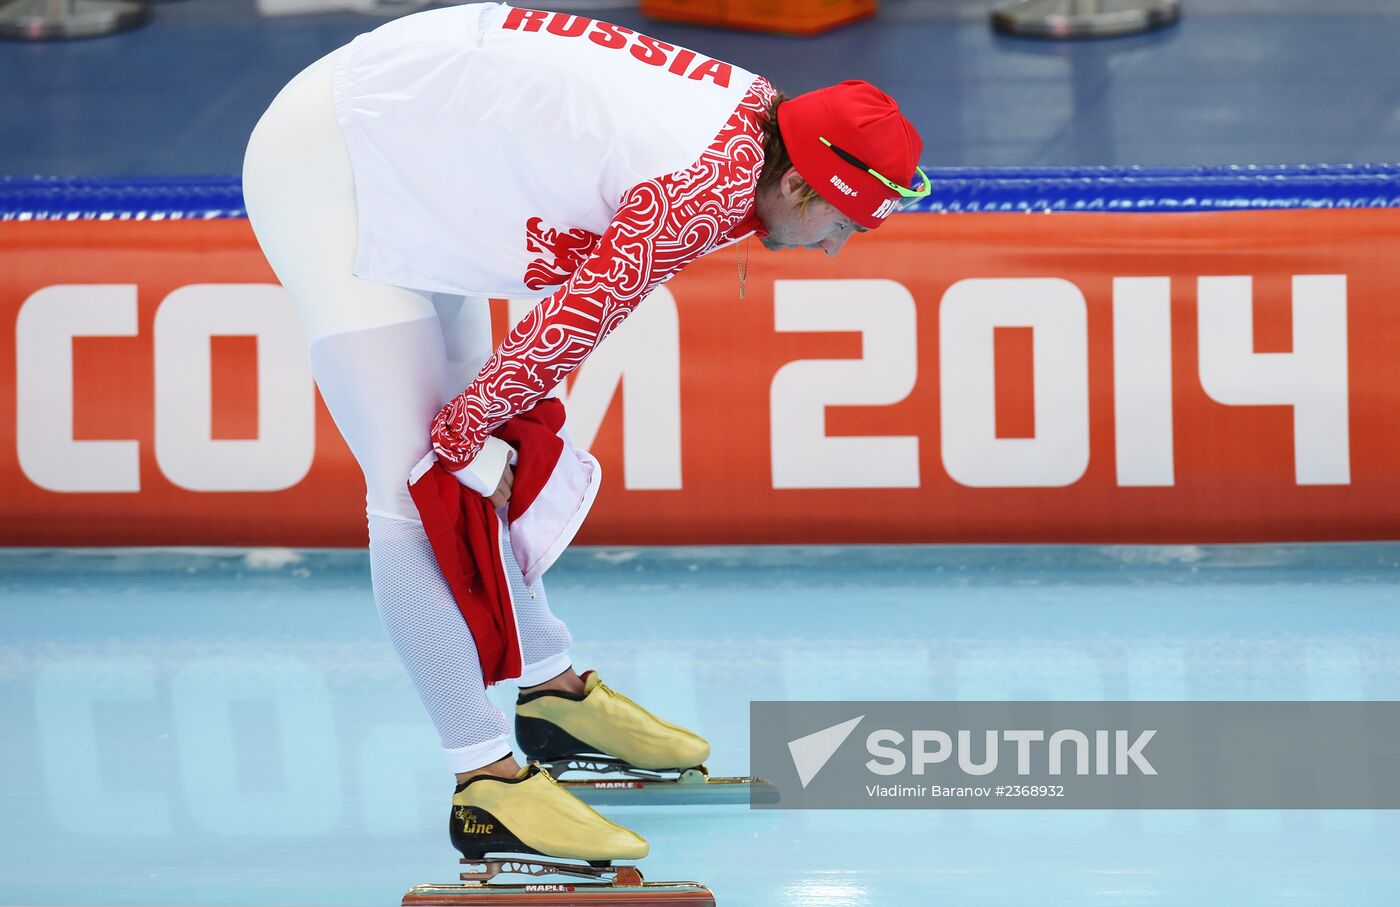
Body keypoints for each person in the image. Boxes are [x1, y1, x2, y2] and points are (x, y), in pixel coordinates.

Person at [242, 1, 925, 876]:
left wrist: (479, 422)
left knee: (466, 453)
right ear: (796, 185)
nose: (835, 249)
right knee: (414, 483)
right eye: (843, 224)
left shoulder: (768, 117)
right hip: (332, 162)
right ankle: (482, 776)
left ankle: (549, 689)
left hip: (407, 139)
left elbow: (560, 319)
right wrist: (465, 429)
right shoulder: (704, 187)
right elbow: (570, 323)